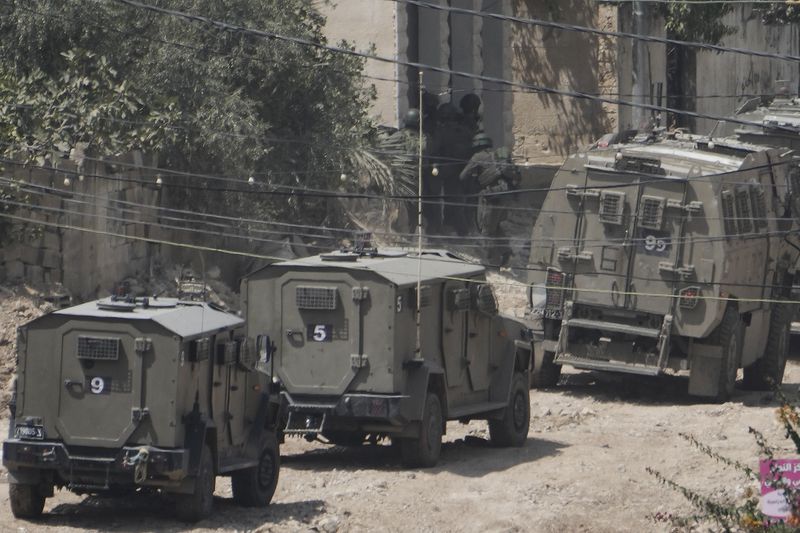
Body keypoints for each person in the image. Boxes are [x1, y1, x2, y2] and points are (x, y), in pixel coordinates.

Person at [460, 133, 517, 265]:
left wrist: (473, 184)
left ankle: (491, 262)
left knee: (486, 231)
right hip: (505, 195)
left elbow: (463, 176)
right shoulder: (498, 155)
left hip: (491, 197)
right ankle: (505, 250)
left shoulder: (477, 157)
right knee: (495, 226)